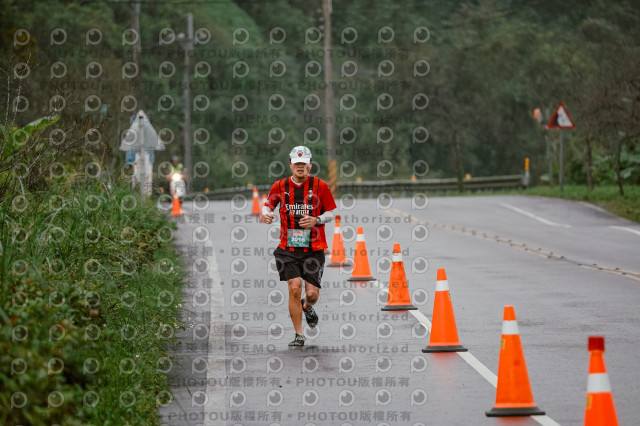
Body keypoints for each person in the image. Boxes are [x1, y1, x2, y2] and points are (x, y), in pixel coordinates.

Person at [262, 146, 337, 346]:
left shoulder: (321, 186)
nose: (300, 167)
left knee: (311, 294)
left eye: (304, 164)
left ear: (310, 165)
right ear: (291, 165)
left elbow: (331, 213)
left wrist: (317, 220)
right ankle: (299, 334)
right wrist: (266, 213)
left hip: (314, 248)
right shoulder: (280, 186)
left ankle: (307, 306)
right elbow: (267, 204)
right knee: (294, 288)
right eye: (297, 164)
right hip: (287, 249)